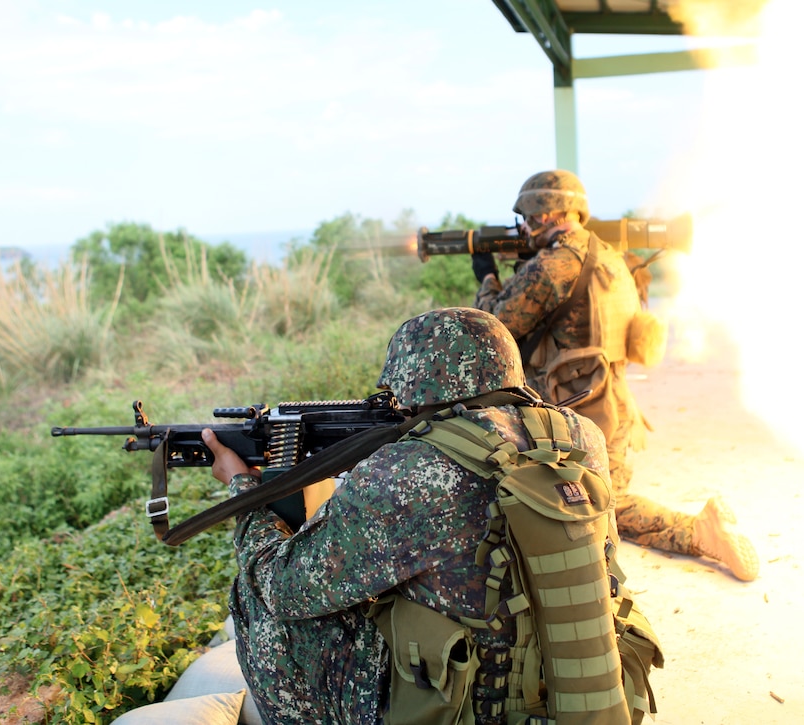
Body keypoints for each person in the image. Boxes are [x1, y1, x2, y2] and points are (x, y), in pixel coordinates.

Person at [198, 307, 651, 724]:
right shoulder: (581, 436)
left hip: (469, 706)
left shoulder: (409, 471)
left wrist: (246, 490)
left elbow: (284, 587)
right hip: (572, 687)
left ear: (410, 381)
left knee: (259, 596)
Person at [472, 169, 759, 583]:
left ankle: (698, 532)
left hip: (573, 414)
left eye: (528, 219)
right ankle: (701, 530)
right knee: (597, 496)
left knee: (593, 505)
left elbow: (498, 325)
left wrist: (486, 277)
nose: (525, 228)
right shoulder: (608, 256)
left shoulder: (554, 264)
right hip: (614, 403)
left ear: (545, 214)